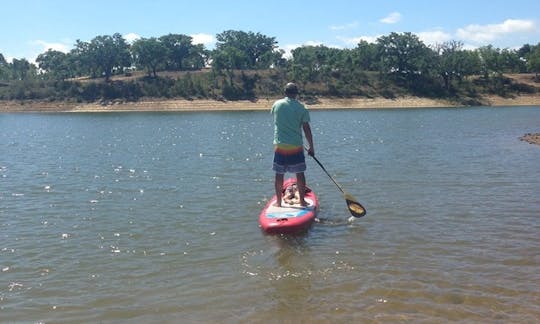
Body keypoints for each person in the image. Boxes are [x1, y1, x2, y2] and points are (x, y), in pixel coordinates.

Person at [271, 82, 314, 207]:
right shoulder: (302, 108)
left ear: (285, 92)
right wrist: (311, 147)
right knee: (299, 173)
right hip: (296, 147)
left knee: (279, 174)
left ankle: (279, 203)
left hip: (280, 146)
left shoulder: (277, 104)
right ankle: (302, 201)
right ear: (296, 93)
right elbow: (307, 129)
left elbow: (277, 119)